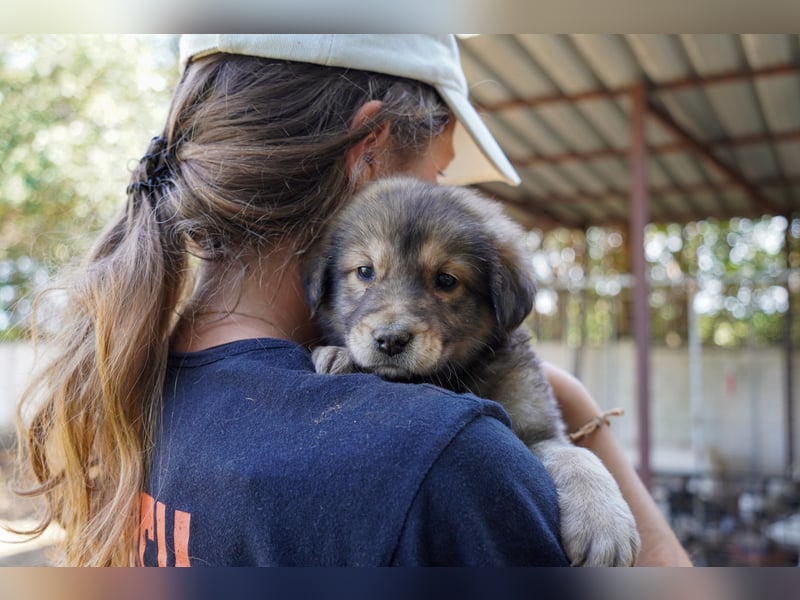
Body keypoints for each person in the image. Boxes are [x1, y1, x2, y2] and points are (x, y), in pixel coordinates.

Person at [16, 34, 690, 567]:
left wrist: (562, 404)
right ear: (369, 156)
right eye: (439, 172)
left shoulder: (133, 385)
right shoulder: (447, 461)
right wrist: (583, 429)